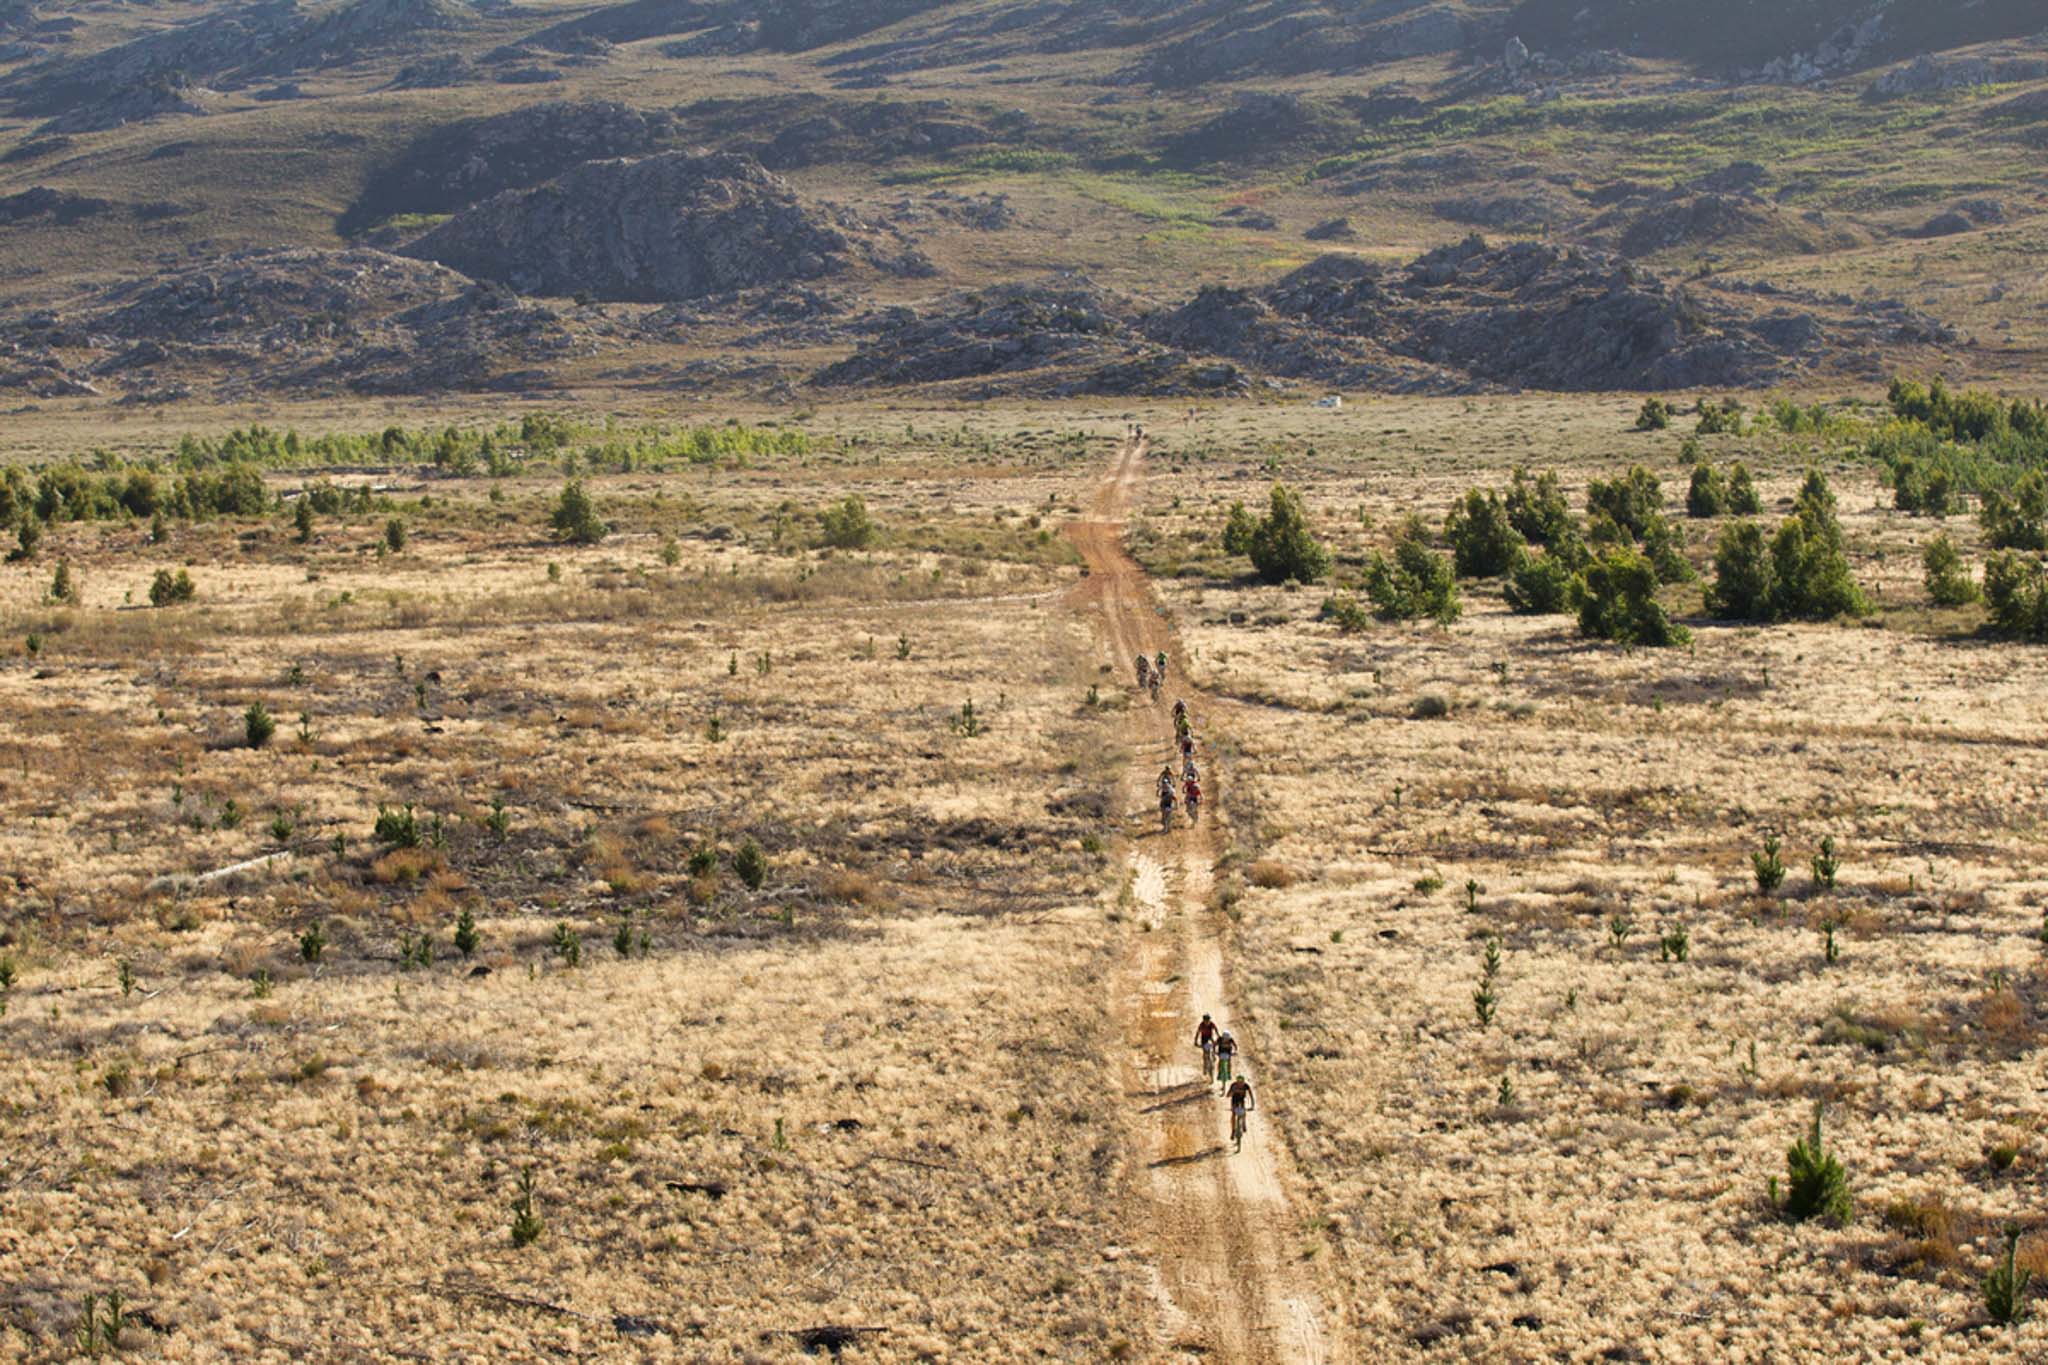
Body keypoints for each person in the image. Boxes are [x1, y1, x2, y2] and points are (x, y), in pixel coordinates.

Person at [1226, 1072, 1255, 1149]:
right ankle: (1233, 1131)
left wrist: (1252, 1105)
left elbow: (1251, 1095)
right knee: (1233, 1114)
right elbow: (1228, 1095)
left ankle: (1244, 1124)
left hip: (1241, 1101)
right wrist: (1232, 1092)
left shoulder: (1246, 1086)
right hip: (1234, 1101)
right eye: (1239, 1082)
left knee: (1244, 1112)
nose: (1240, 1084)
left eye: (1241, 1082)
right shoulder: (1233, 1085)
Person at [1193, 1013, 1219, 1079]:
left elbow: (1216, 1030)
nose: (1207, 1022)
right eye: (1206, 1020)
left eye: (1208, 1020)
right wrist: (1195, 1041)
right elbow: (1197, 1033)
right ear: (1203, 1020)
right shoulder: (1201, 1025)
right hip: (1204, 1039)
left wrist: (1219, 1037)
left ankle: (1213, 1054)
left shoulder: (1212, 1024)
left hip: (1210, 1038)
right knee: (1205, 1053)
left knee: (1213, 1045)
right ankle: (1205, 1067)